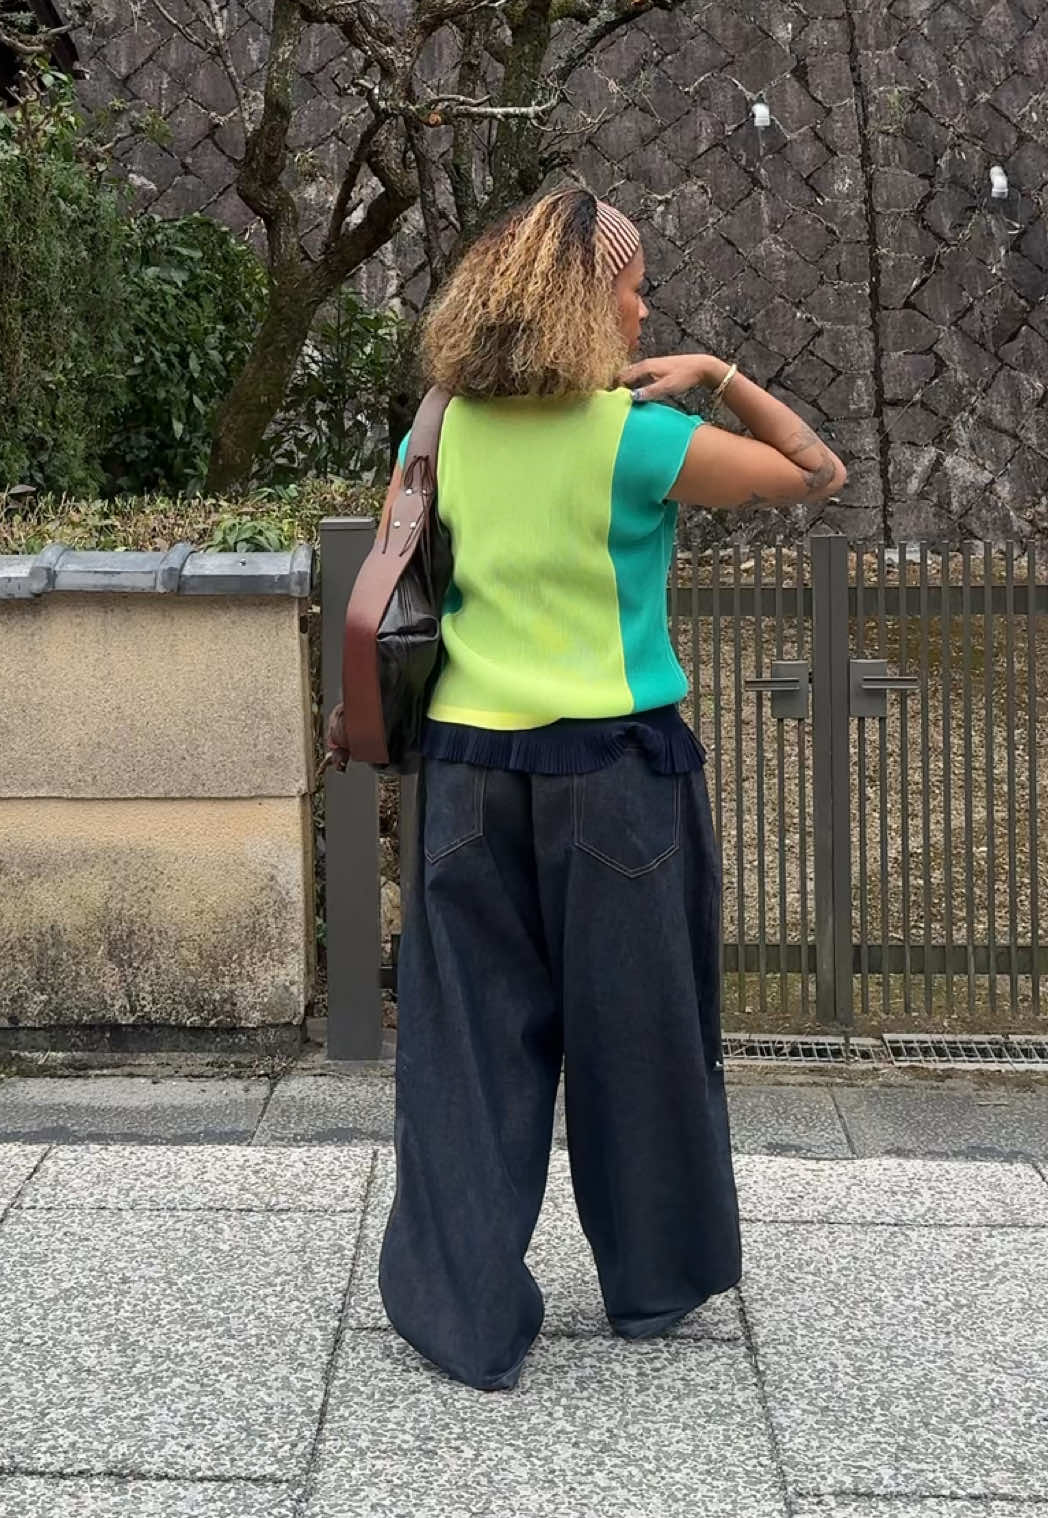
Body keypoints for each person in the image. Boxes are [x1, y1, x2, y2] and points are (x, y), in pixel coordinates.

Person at [378, 187, 848, 1392]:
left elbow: (407, 569)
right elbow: (815, 472)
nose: (645, 310)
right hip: (615, 775)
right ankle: (653, 1280)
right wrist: (718, 374)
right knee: (641, 1036)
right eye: (634, 291)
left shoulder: (443, 427)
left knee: (466, 1045)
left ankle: (462, 1312)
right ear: (582, 303)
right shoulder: (639, 440)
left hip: (467, 772)